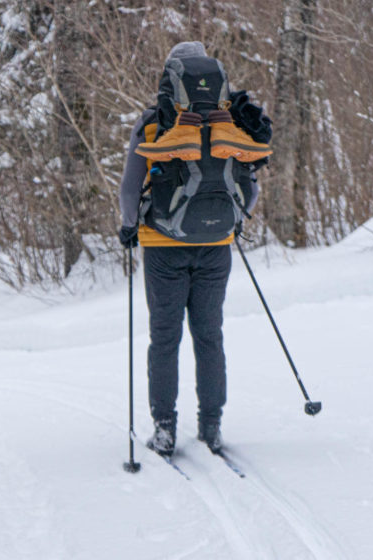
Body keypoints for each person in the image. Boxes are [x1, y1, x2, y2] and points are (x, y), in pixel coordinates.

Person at [118, 41, 269, 457]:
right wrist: (232, 222)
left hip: (164, 248)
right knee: (209, 335)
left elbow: (130, 189)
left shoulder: (155, 123)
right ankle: (212, 426)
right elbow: (250, 188)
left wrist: (129, 227)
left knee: (164, 338)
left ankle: (164, 429)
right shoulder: (231, 124)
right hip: (215, 248)